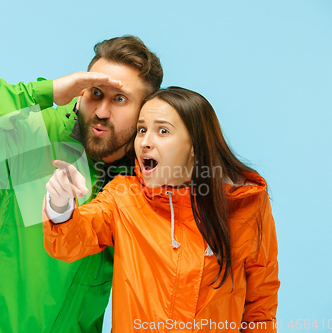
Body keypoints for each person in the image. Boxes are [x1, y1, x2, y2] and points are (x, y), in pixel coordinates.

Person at [0, 36, 163, 332]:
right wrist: (47, 91)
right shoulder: (37, 133)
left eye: (119, 99)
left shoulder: (144, 182)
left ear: (145, 111)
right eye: (95, 93)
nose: (102, 112)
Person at [43, 87, 280, 332]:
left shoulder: (245, 204)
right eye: (142, 130)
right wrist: (60, 203)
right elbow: (71, 240)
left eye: (163, 131)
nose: (145, 142)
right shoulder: (124, 196)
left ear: (194, 146)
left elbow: (260, 303)